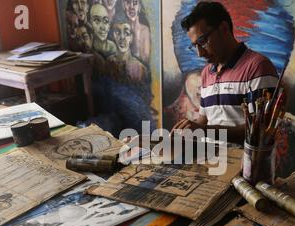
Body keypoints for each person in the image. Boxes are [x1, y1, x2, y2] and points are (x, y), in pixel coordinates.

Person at [171, 2, 278, 144]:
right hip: (213, 162)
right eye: (195, 46)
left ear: (224, 28)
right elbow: (205, 119)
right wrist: (187, 128)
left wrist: (202, 130)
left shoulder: (258, 67)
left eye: (202, 41)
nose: (199, 53)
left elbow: (259, 131)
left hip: (245, 164)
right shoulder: (206, 74)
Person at [107, 15, 148, 83]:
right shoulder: (109, 63)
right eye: (117, 32)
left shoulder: (140, 69)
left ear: (131, 38)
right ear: (113, 36)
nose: (122, 37)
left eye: (126, 33)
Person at [122, 0, 150, 65]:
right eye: (128, 2)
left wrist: (137, 36)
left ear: (139, 7)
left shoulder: (145, 30)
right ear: (123, 6)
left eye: (135, 3)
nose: (131, 7)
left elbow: (145, 60)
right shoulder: (121, 29)